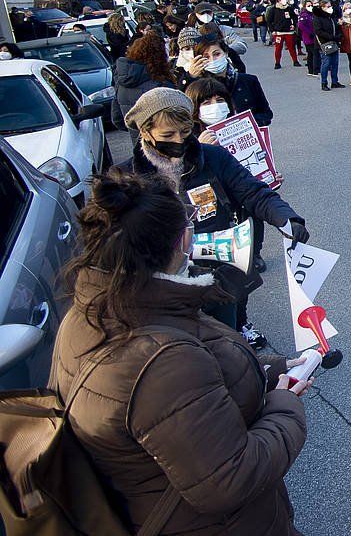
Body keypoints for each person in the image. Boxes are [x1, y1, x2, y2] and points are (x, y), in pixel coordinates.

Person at [49, 169, 309, 536]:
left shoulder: (91, 312)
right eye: (188, 219)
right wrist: (284, 403)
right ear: (179, 240)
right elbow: (231, 478)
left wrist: (269, 369)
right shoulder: (164, 362)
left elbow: (186, 393)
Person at [119, 87, 307, 342]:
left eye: (185, 132)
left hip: (217, 267)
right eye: (167, 134)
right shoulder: (125, 178)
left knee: (226, 334)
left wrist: (286, 219)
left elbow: (252, 191)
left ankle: (239, 333)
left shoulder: (213, 157)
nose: (178, 141)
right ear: (145, 131)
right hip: (161, 274)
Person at [188, 30, 274, 127]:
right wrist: (190, 77)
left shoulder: (249, 81)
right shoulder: (196, 86)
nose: (212, 60)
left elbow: (266, 113)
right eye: (206, 57)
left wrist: (247, 124)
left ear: (226, 53)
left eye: (217, 54)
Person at [115, 32, 176, 136]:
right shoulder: (161, 84)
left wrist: (135, 131)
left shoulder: (121, 83)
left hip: (138, 140)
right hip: (164, 141)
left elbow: (117, 118)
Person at [313, 0, 344, 91]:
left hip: (334, 43)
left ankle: (335, 82)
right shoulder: (317, 18)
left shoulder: (331, 16)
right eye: (328, 6)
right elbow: (318, 31)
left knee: (335, 63)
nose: (330, 8)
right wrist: (332, 37)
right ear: (322, 8)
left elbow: (337, 26)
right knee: (326, 64)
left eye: (331, 6)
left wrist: (339, 35)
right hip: (324, 44)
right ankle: (324, 83)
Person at [266, 0, 300, 69]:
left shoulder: (289, 8)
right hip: (278, 32)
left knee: (292, 47)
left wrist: (293, 25)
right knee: (278, 48)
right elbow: (269, 21)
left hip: (289, 32)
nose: (284, 0)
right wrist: (272, 30)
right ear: (278, 1)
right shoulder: (273, 9)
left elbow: (294, 17)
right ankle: (277, 63)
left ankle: (295, 61)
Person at [297, 1, 318, 76]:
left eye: (311, 5)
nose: (310, 6)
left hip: (313, 36)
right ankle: (314, 70)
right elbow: (301, 26)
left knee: (311, 54)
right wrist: (310, 33)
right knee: (313, 53)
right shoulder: (304, 15)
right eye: (308, 5)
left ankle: (311, 70)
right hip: (308, 37)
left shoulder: (312, 14)